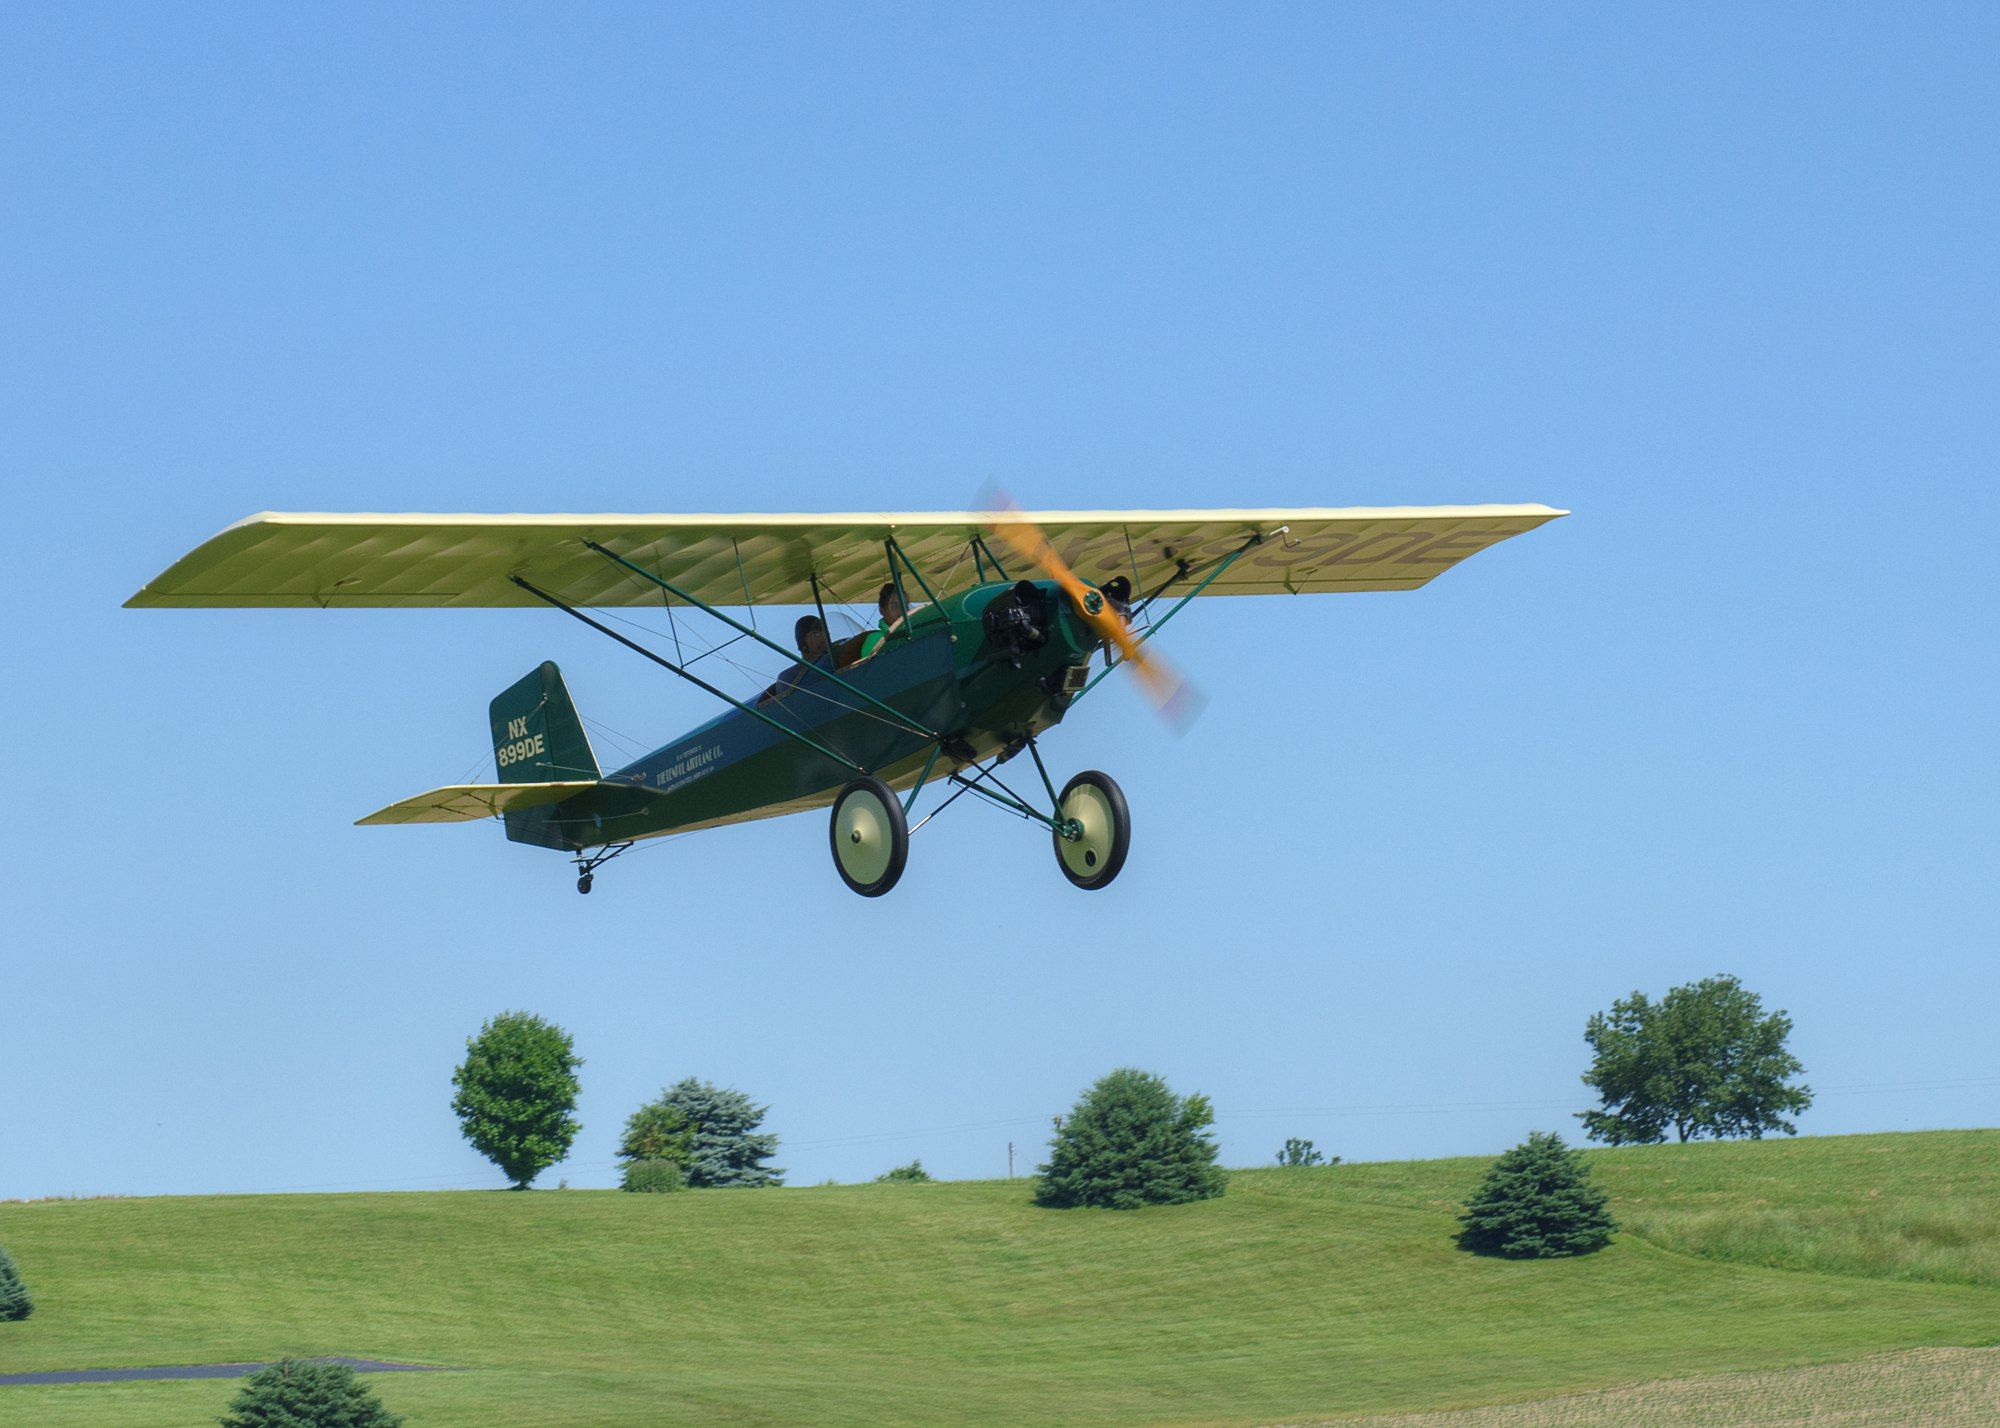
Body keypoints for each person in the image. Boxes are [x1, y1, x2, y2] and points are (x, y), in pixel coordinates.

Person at [760, 615, 829, 705]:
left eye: (826, 634)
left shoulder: (833, 658)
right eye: (816, 635)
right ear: (803, 643)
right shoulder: (787, 676)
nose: (823, 638)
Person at [858, 582, 908, 659]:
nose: (902, 611)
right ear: (882, 610)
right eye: (895, 606)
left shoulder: (913, 633)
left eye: (905, 606)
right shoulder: (875, 639)